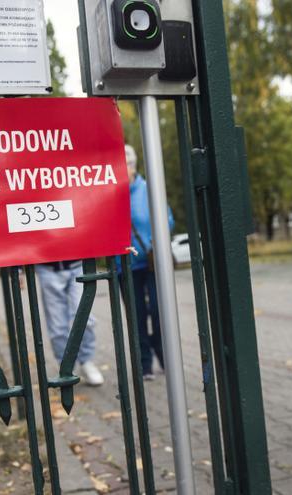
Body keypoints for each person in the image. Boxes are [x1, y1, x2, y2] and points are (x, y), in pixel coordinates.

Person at [125, 144, 173, 381]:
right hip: (126, 264)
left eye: (126, 164)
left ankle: (162, 352)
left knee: (157, 308)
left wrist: (155, 241)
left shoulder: (148, 189)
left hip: (152, 262)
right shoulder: (111, 192)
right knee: (137, 314)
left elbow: (168, 219)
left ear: (133, 166)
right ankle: (145, 363)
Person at [35, 260, 105, 386]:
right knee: (57, 325)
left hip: (77, 263)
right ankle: (66, 368)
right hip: (47, 267)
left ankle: (86, 361)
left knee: (85, 316)